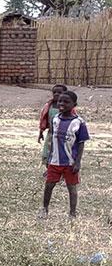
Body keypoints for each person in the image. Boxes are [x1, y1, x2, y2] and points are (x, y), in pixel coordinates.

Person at [41, 90, 88, 218]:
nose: (62, 104)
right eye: (60, 101)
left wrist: (77, 162)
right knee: (49, 185)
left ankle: (72, 213)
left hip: (70, 162)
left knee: (71, 188)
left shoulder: (79, 122)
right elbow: (52, 140)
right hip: (54, 161)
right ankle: (44, 209)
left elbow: (81, 143)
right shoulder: (55, 119)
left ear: (74, 104)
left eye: (66, 102)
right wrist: (48, 160)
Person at [38, 83, 68, 164]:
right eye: (54, 92)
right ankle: (49, 170)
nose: (56, 94)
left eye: (59, 92)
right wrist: (41, 132)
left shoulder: (68, 108)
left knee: (61, 153)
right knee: (48, 153)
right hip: (51, 135)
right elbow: (43, 120)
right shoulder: (48, 106)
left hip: (63, 136)